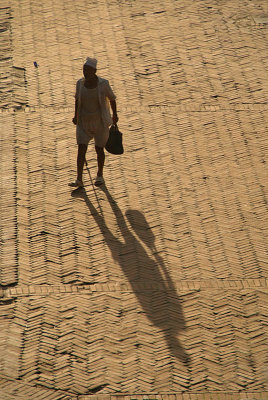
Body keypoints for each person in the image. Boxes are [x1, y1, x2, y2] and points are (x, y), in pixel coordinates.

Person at [69, 57, 118, 188]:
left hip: (99, 122)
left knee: (99, 149)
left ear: (94, 71)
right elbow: (77, 100)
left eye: (88, 70)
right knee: (81, 149)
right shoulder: (80, 83)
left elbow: (112, 99)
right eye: (84, 69)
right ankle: (79, 178)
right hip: (84, 121)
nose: (85, 72)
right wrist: (75, 116)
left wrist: (115, 115)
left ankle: (100, 175)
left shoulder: (103, 84)